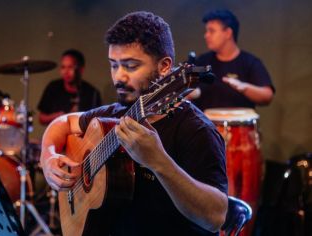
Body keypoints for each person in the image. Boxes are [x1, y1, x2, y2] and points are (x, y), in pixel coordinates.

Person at [40, 11, 228, 235]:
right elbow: (63, 122)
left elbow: (215, 218)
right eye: (113, 65)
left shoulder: (196, 130)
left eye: (130, 66)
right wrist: (48, 156)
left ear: (165, 67)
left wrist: (159, 162)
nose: (119, 76)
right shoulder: (115, 114)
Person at [189, 9, 275, 111]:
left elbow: (267, 96)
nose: (206, 35)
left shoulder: (250, 62)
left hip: (239, 126)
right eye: (206, 31)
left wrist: (244, 87)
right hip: (205, 125)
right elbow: (186, 88)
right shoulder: (202, 62)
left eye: (211, 31)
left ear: (228, 33)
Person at [37, 49, 102, 125]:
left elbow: (98, 122)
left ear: (81, 69)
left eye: (70, 67)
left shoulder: (92, 93)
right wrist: (58, 116)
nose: (66, 72)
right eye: (63, 67)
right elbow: (41, 118)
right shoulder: (53, 87)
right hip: (57, 133)